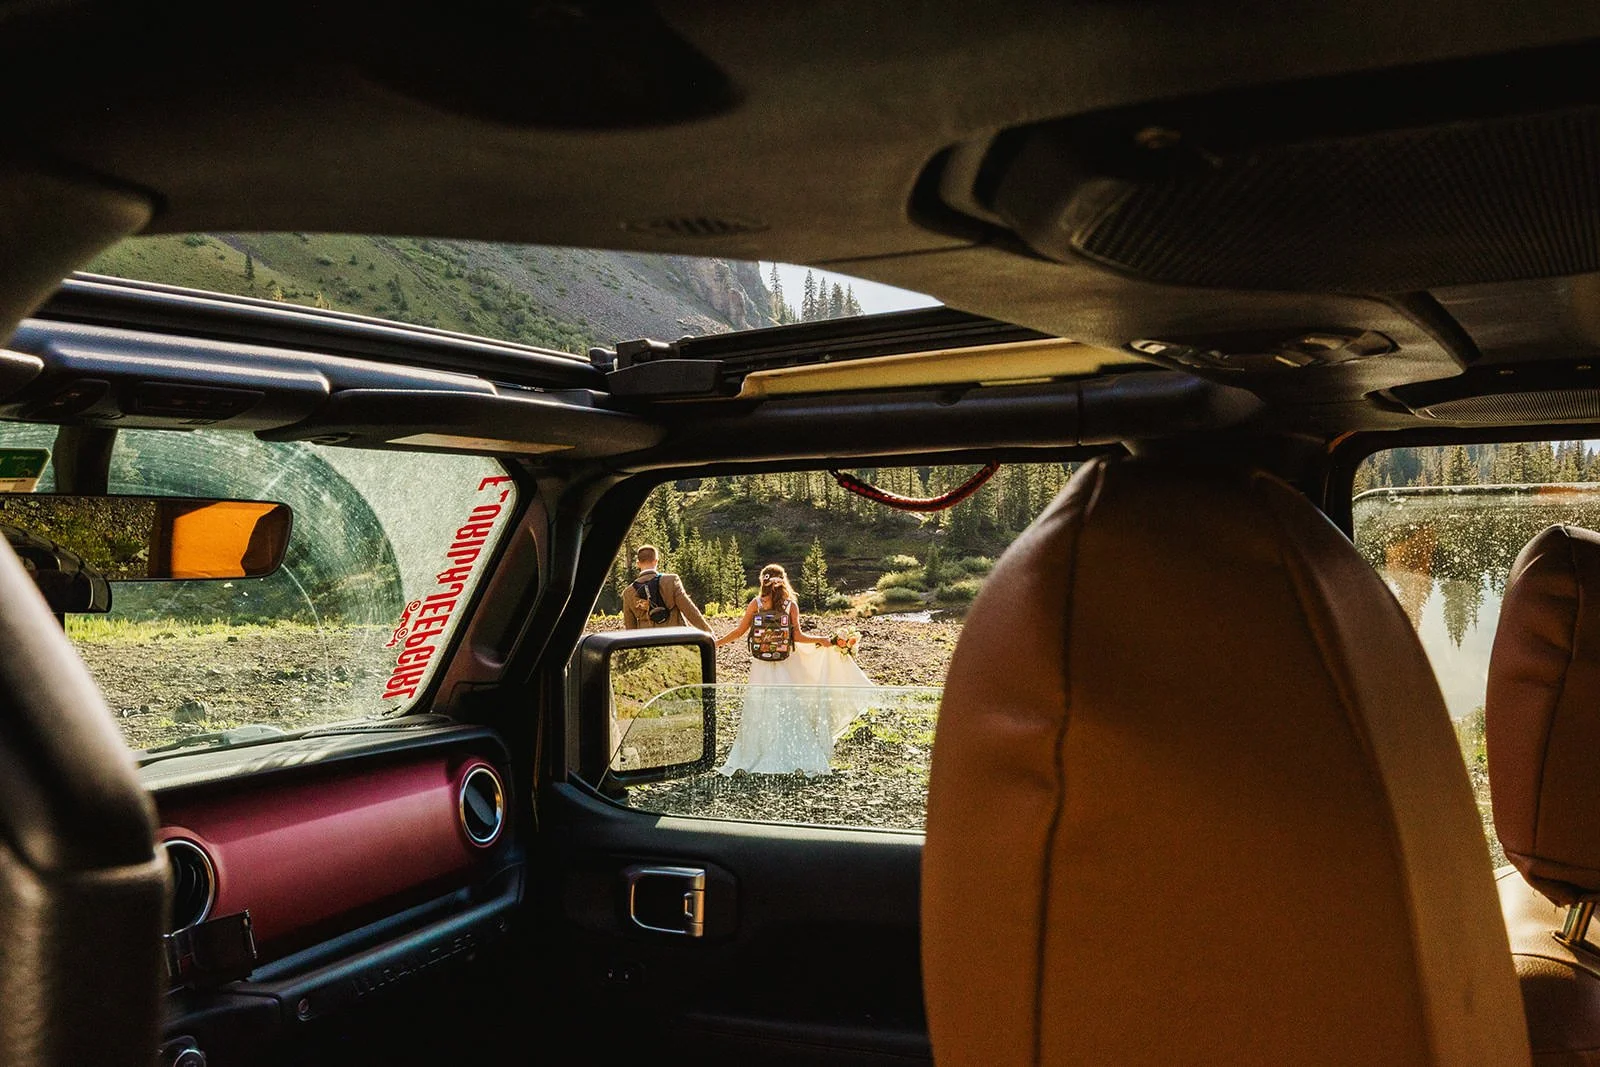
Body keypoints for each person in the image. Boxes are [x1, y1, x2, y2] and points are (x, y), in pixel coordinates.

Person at [713, 562, 877, 776]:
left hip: (761, 664)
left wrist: (715, 643)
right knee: (787, 708)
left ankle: (753, 753)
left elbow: (739, 632)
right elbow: (797, 636)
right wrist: (822, 640)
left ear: (762, 581)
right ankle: (793, 754)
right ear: (784, 580)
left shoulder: (757, 604)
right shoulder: (790, 606)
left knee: (759, 707)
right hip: (784, 662)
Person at [622, 544, 710, 633]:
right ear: (656, 561)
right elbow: (689, 610)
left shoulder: (628, 592)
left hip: (649, 644)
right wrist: (708, 632)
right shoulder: (671, 581)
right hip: (675, 640)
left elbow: (630, 628)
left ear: (638, 564)